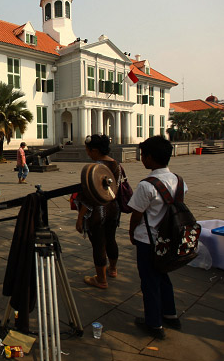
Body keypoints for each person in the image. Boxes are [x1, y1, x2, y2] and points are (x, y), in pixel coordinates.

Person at [127, 136, 183, 340]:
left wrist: (132, 232)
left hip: (148, 240)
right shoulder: (178, 180)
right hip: (169, 239)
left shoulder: (147, 185)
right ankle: (170, 313)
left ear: (150, 158)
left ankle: (154, 323)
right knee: (163, 276)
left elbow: (137, 213)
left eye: (143, 155)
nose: (142, 159)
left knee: (149, 281)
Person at [75, 135, 121, 289]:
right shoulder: (116, 165)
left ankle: (101, 279)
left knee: (99, 244)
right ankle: (113, 269)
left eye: (88, 150)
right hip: (113, 207)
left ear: (94, 150)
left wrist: (80, 217)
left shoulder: (94, 169)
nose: (87, 153)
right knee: (111, 239)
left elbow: (89, 197)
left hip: (98, 211)